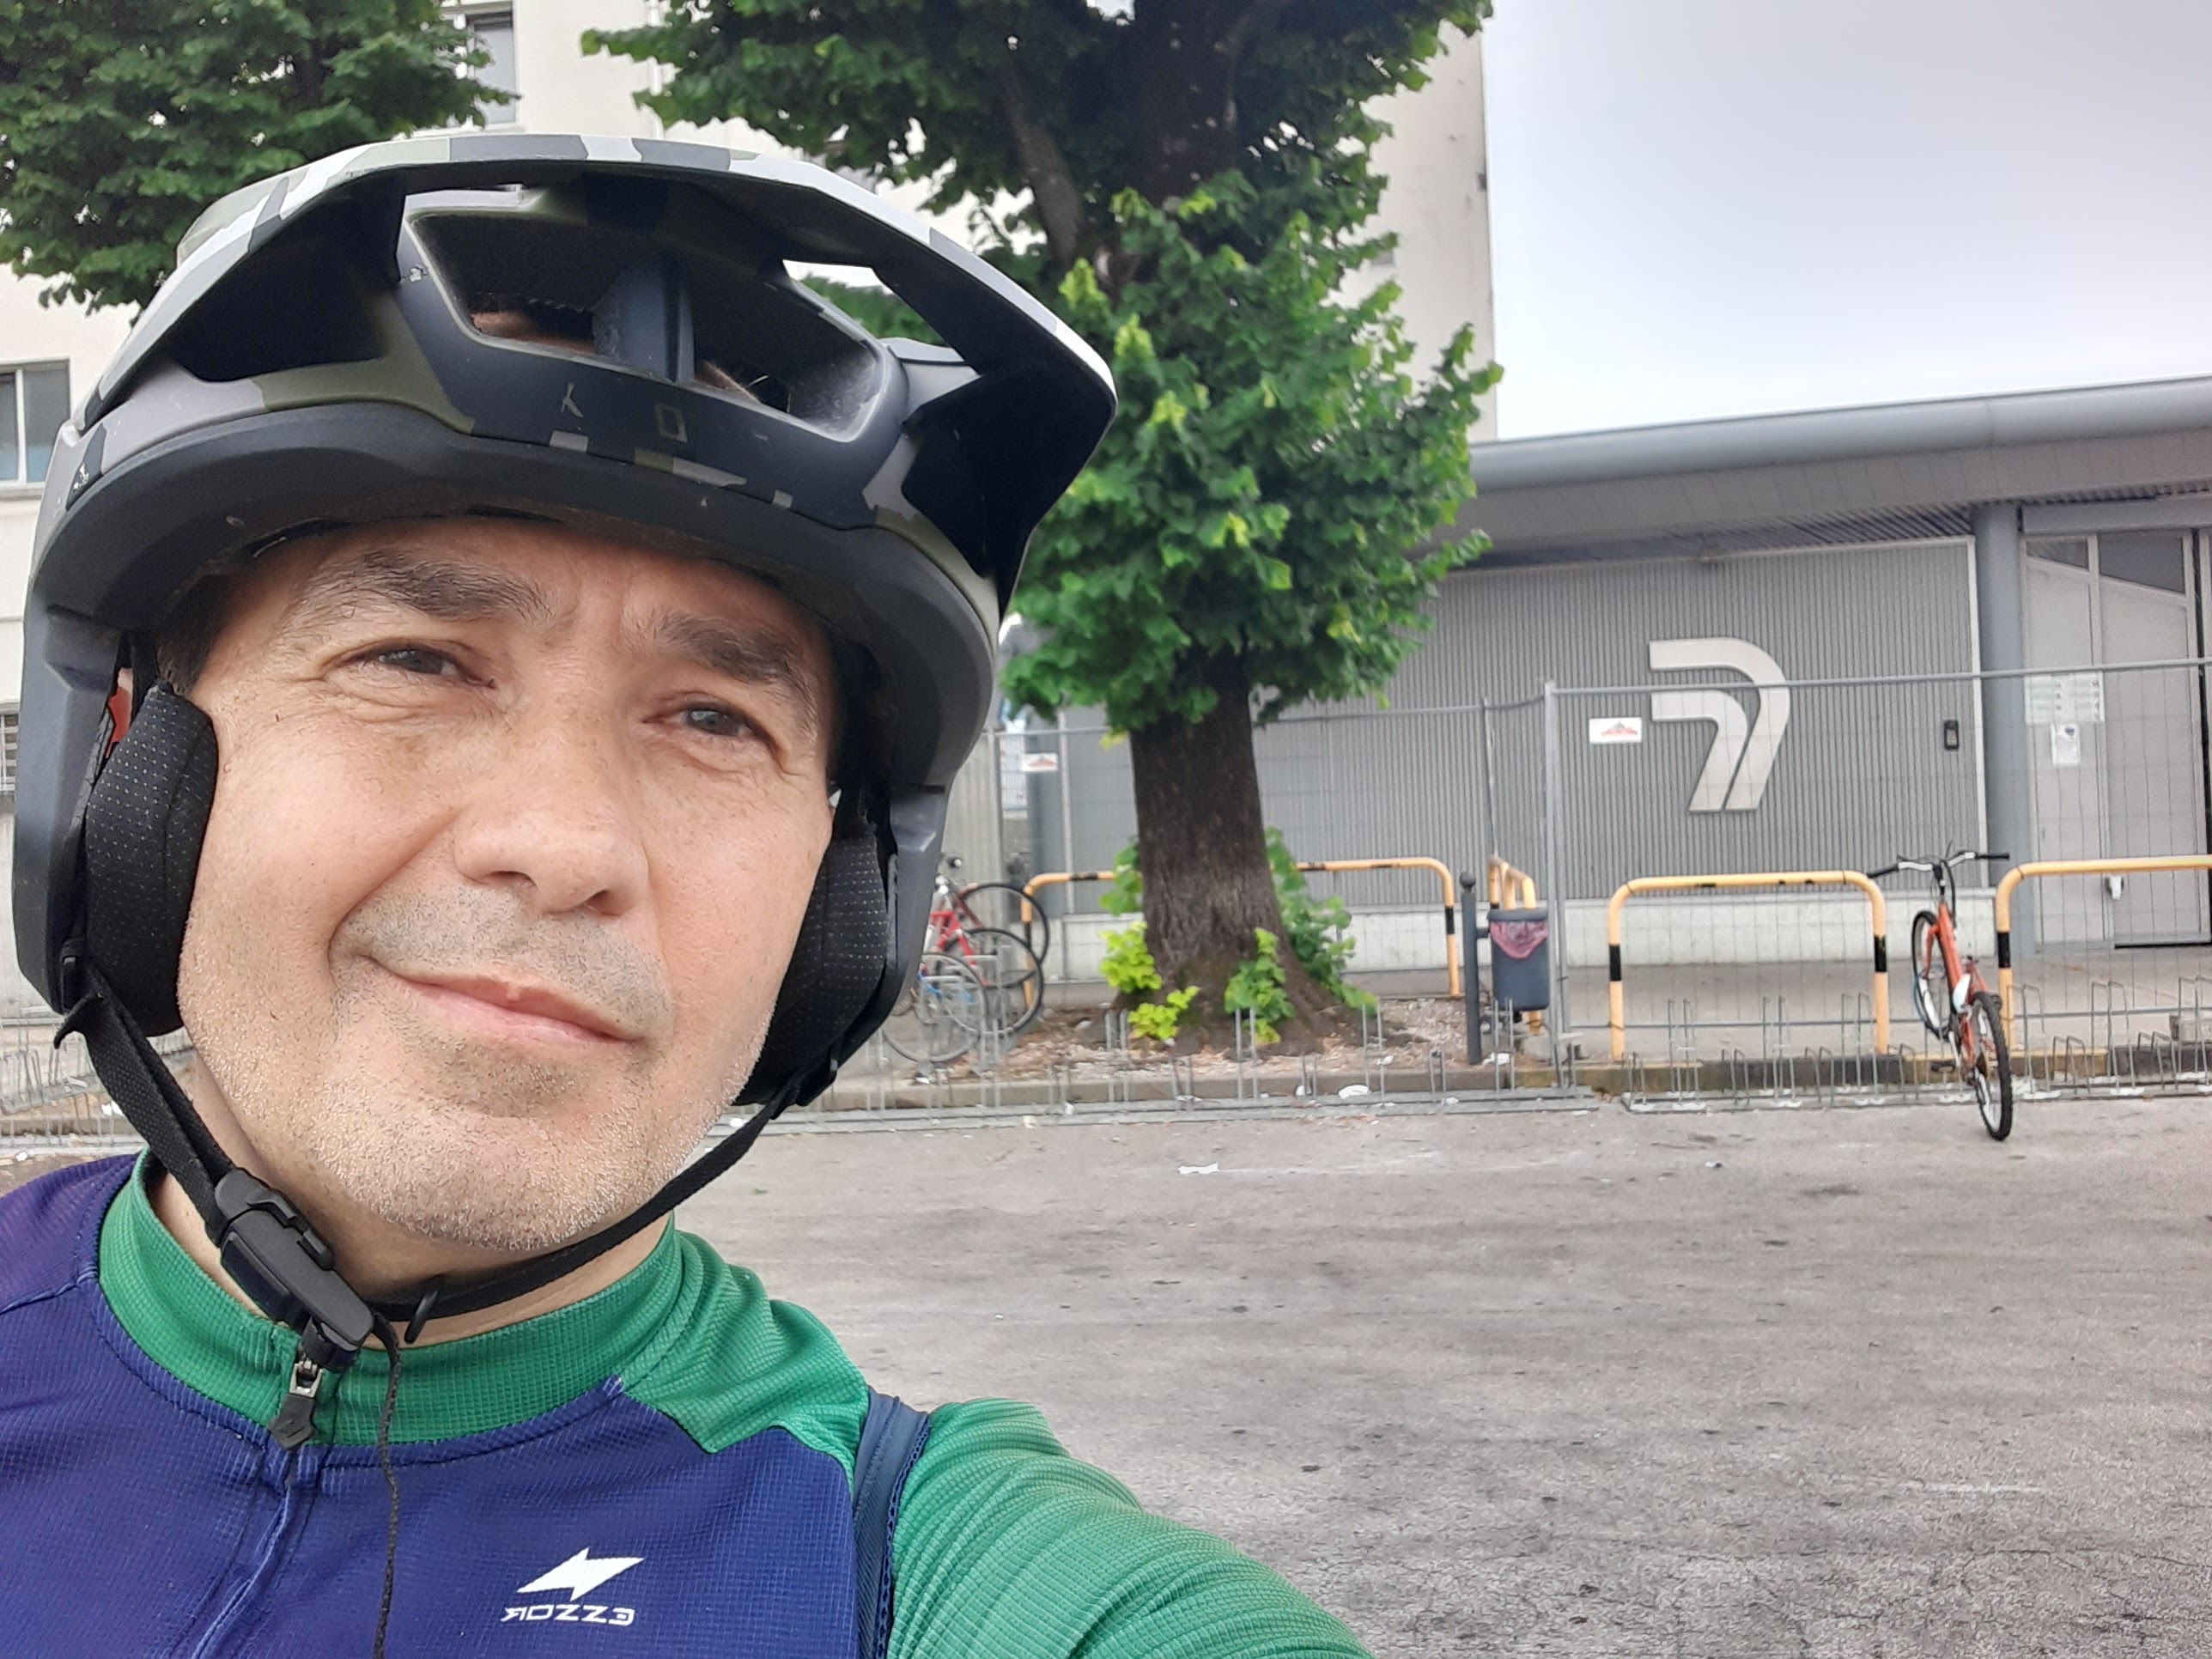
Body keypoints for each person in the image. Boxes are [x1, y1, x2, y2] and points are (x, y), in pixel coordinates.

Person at [0, 138, 1371, 1657]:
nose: (563, 844)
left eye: (715, 720)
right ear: (134, 773)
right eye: (417, 660)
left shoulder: (904, 1557)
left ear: (844, 901)